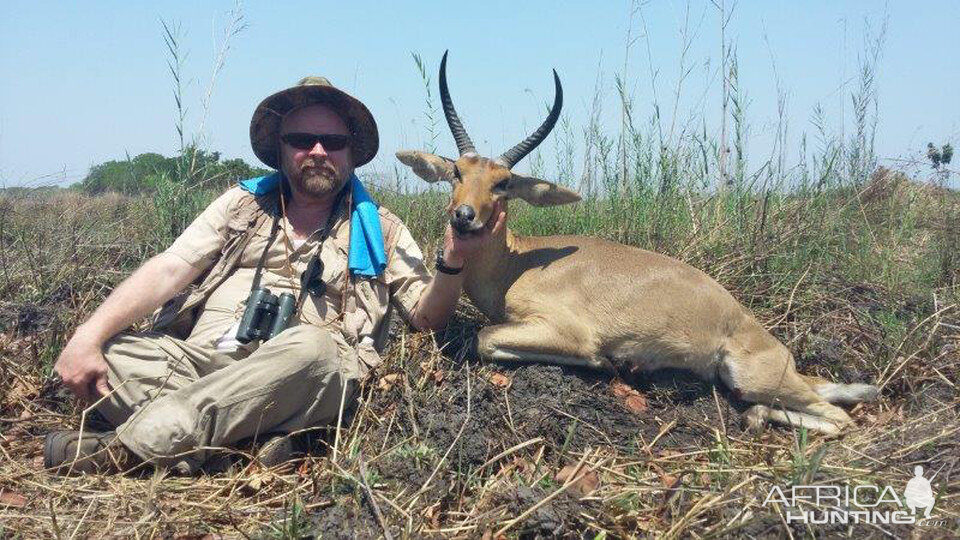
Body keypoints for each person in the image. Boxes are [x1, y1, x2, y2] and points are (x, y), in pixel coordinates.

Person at [45, 76, 504, 475]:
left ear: (352, 154)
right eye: (303, 139)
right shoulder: (240, 204)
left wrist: (454, 259)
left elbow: (428, 320)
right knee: (112, 352)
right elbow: (169, 268)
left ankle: (128, 450)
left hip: (303, 377)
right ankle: (246, 446)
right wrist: (88, 334)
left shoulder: (381, 227)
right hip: (202, 364)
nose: (318, 151)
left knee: (313, 347)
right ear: (281, 148)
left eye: (334, 142)